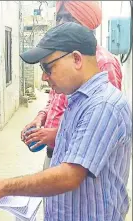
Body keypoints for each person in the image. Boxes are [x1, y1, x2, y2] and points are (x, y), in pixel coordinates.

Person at [0, 23, 132, 221]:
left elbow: (69, 176)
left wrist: (4, 186)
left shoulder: (103, 106)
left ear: (76, 58)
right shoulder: (78, 100)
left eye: (47, 67)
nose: (44, 76)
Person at [21, 0, 123, 170]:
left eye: (69, 18)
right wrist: (41, 118)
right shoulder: (61, 59)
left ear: (88, 23)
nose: (61, 23)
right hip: (56, 153)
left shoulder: (104, 63)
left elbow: (103, 130)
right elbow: (53, 101)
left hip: (81, 164)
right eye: (59, 18)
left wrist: (54, 135)